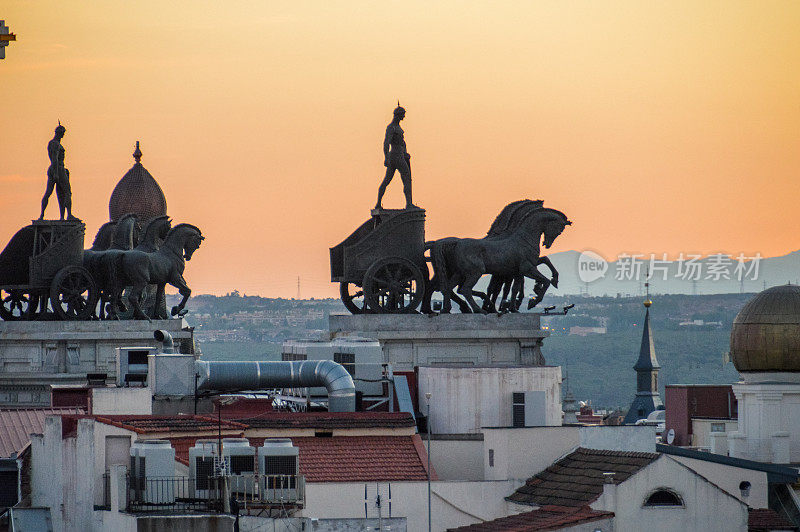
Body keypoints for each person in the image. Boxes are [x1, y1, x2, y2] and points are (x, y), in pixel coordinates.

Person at [376, 103, 417, 210]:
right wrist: (386, 157)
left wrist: (405, 153)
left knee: (387, 180)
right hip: (396, 156)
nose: (404, 116)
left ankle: (379, 203)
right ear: (398, 115)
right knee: (406, 178)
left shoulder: (397, 127)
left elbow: (402, 143)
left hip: (399, 155)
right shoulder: (391, 128)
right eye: (403, 114)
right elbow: (386, 143)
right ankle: (408, 204)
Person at [39, 122, 75, 220]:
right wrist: (56, 173)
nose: (63, 135)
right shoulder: (55, 144)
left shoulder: (54, 143)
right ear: (59, 133)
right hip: (57, 168)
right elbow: (54, 158)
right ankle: (69, 215)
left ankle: (48, 216)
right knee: (67, 192)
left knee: (55, 193)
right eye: (63, 133)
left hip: (55, 168)